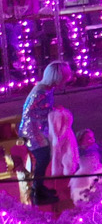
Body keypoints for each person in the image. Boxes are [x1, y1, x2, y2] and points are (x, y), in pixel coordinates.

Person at [20, 60, 69, 206]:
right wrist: (49, 113)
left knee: (46, 157)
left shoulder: (48, 89)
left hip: (39, 129)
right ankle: (36, 192)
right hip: (32, 130)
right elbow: (28, 112)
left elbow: (44, 107)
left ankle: (39, 187)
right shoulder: (40, 91)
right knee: (43, 158)